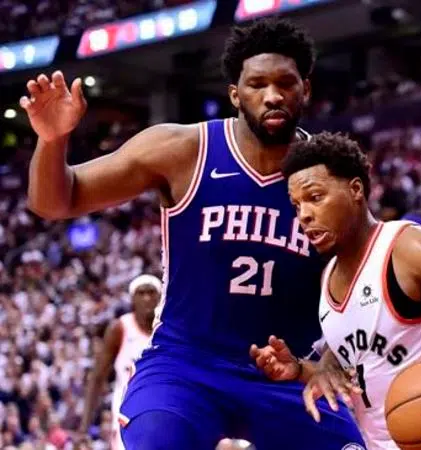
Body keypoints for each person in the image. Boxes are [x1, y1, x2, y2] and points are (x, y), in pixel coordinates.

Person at [21, 18, 365, 450]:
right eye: (257, 84)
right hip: (186, 368)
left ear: (306, 89)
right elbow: (55, 202)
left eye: (285, 83)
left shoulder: (332, 175)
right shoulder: (183, 150)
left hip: (287, 373)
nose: (273, 96)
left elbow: (363, 282)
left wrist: (331, 359)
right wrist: (52, 141)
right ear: (235, 94)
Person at [249, 132, 421, 450]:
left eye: (315, 197)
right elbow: (362, 363)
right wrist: (301, 369)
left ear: (356, 189)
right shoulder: (327, 277)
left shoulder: (413, 249)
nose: (304, 214)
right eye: (297, 205)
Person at [80, 275, 160, 449]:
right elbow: (97, 378)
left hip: (159, 411)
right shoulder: (120, 328)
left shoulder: (167, 329)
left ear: (160, 297)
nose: (147, 298)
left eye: (151, 292)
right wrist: (84, 428)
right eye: (141, 293)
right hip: (126, 413)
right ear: (132, 299)